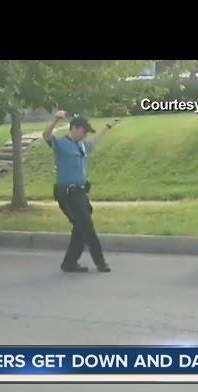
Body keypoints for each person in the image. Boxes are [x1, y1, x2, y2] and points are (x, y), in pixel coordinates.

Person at [42, 111, 117, 273]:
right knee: (87, 227)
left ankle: (69, 263)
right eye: (84, 131)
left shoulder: (81, 146)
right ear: (74, 128)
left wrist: (107, 128)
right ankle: (100, 262)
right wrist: (55, 120)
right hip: (67, 193)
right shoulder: (61, 144)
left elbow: (93, 143)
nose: (85, 135)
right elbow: (46, 135)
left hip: (80, 193)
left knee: (80, 227)